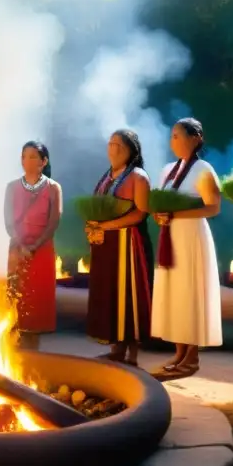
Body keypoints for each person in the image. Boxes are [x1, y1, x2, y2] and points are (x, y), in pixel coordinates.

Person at [150, 118, 223, 379]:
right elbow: (160, 202)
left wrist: (178, 213)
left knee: (191, 293)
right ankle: (179, 353)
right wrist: (160, 215)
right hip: (170, 237)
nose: (174, 141)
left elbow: (213, 207)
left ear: (196, 138)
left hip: (192, 236)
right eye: (172, 136)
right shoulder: (168, 170)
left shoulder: (203, 169)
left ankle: (192, 358)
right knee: (175, 294)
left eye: (178, 135)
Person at [85, 129, 153, 367]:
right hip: (107, 244)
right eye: (111, 144)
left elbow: (140, 213)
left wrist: (107, 225)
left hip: (129, 243)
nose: (113, 149)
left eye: (119, 146)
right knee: (110, 293)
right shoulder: (107, 176)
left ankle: (132, 354)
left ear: (131, 151)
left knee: (129, 295)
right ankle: (116, 348)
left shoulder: (138, 176)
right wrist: (94, 227)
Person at [5, 141, 63, 350]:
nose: (26, 161)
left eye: (32, 156)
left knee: (37, 300)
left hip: (42, 250)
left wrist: (36, 245)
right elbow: (8, 221)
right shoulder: (12, 187)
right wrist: (21, 244)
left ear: (44, 161)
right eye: (24, 156)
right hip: (17, 249)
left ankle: (33, 351)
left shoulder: (53, 188)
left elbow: (54, 221)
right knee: (16, 296)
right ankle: (13, 348)